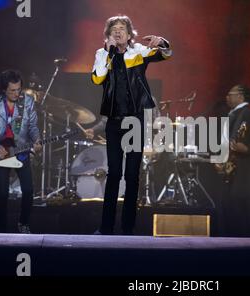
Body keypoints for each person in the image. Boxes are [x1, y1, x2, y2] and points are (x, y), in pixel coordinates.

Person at [89, 15, 172, 235]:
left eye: (122, 28)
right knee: (114, 173)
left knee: (132, 175)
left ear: (129, 33)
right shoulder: (102, 54)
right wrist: (108, 53)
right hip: (114, 121)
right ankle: (106, 227)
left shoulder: (138, 52)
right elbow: (97, 79)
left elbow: (165, 54)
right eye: (114, 29)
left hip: (135, 121)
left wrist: (162, 41)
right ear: (108, 34)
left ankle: (128, 228)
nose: (118, 31)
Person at [0, 70, 41, 233]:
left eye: (18, 89)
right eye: (12, 90)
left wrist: (37, 140)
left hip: (21, 150)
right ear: (3, 90)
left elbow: (33, 126)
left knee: (28, 191)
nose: (16, 93)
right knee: (2, 194)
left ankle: (24, 223)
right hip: (1, 153)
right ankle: (0, 228)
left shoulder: (27, 101)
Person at [219, 84, 250, 237]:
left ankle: (244, 240)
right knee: (230, 205)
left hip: (245, 169)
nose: (227, 97)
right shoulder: (234, 114)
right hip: (232, 169)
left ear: (240, 96)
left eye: (230, 94)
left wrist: (245, 148)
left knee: (241, 206)